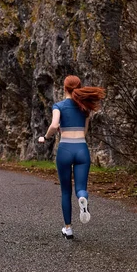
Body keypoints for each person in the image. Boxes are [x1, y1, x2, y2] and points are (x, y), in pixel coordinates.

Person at [38, 75, 105, 239]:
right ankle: (82, 198)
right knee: (81, 187)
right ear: (80, 87)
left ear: (64, 88)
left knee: (66, 190)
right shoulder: (85, 108)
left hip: (65, 149)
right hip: (81, 148)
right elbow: (84, 132)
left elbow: (54, 125)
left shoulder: (58, 106)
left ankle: (68, 228)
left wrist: (45, 138)